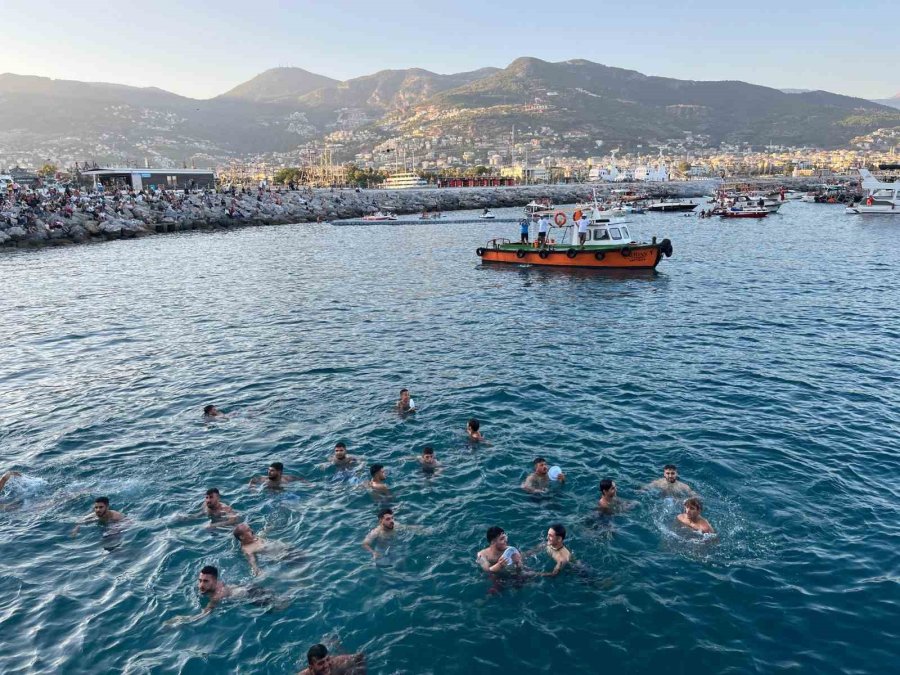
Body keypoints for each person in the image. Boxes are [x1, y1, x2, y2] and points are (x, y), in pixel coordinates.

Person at [166, 565, 232, 625]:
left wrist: (183, 620)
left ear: (215, 581)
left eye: (206, 581)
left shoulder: (217, 595)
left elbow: (206, 613)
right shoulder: (215, 585)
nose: (201, 585)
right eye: (200, 580)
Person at [299, 643, 366, 675]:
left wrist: (358, 672)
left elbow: (359, 657)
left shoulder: (339, 664)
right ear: (311, 668)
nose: (326, 665)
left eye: (327, 660)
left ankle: (333, 642)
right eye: (321, 663)